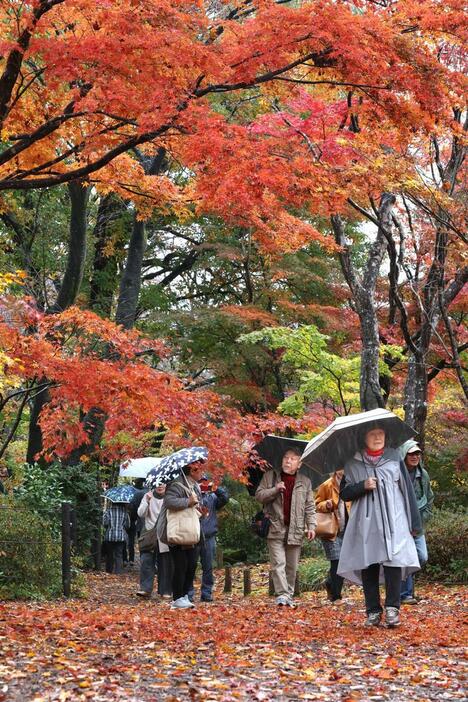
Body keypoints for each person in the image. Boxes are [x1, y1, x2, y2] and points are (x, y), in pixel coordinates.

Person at [338, 424, 422, 628]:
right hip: (365, 522)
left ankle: (393, 609)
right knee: (370, 564)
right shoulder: (352, 463)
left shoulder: (394, 458)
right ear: (364, 437)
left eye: (381, 433)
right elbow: (344, 494)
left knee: (395, 560)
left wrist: (414, 523)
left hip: (395, 518)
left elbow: (407, 490)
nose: (378, 437)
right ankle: (373, 611)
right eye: (373, 434)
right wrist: (362, 486)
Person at [255, 448, 316, 607]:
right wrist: (275, 489)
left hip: (295, 529)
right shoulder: (270, 476)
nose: (288, 461)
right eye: (285, 458)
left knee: (292, 566)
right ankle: (282, 595)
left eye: (293, 459)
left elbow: (310, 506)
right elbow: (259, 496)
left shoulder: (305, 481)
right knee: (278, 564)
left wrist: (311, 526)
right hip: (275, 527)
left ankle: (288, 595)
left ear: (299, 463)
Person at [157, 459, 204, 609]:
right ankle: (177, 598)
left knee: (191, 565)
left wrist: (199, 509)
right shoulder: (176, 484)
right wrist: (187, 501)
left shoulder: (194, 485)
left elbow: (195, 504)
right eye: (200, 469)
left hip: (190, 530)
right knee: (180, 565)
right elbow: (169, 502)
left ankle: (184, 596)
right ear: (192, 470)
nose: (202, 472)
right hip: (177, 532)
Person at [399, 440, 434, 605]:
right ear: (404, 455)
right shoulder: (397, 473)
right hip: (400, 525)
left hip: (417, 525)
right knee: (405, 558)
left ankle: (403, 588)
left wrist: (423, 518)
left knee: (421, 556)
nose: (415, 457)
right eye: (411, 453)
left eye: (417, 453)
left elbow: (429, 497)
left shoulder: (423, 474)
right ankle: (405, 594)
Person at [188, 475, 229, 603]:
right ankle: (188, 593)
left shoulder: (213, 498)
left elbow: (225, 498)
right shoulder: (192, 497)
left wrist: (216, 488)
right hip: (193, 536)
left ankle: (206, 593)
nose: (203, 485)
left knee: (208, 567)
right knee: (190, 566)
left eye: (205, 482)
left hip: (209, 536)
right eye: (200, 482)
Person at [315, 469, 349, 603]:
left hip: (347, 528)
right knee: (336, 560)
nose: (342, 470)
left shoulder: (351, 483)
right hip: (331, 529)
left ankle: (330, 583)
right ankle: (336, 595)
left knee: (343, 562)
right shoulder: (327, 485)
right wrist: (326, 504)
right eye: (339, 467)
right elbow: (317, 504)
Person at [136, 484, 173, 599]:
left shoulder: (170, 497)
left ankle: (165, 590)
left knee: (166, 563)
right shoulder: (148, 495)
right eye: (157, 484)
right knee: (146, 561)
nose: (159, 486)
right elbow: (140, 513)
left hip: (165, 535)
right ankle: (145, 589)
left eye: (162, 484)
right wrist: (147, 501)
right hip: (150, 534)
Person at [102, 501, 130, 575]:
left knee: (109, 554)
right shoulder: (125, 512)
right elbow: (128, 525)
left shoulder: (108, 511)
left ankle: (109, 571)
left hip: (110, 536)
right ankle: (119, 572)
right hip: (121, 536)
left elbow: (105, 523)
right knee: (119, 554)